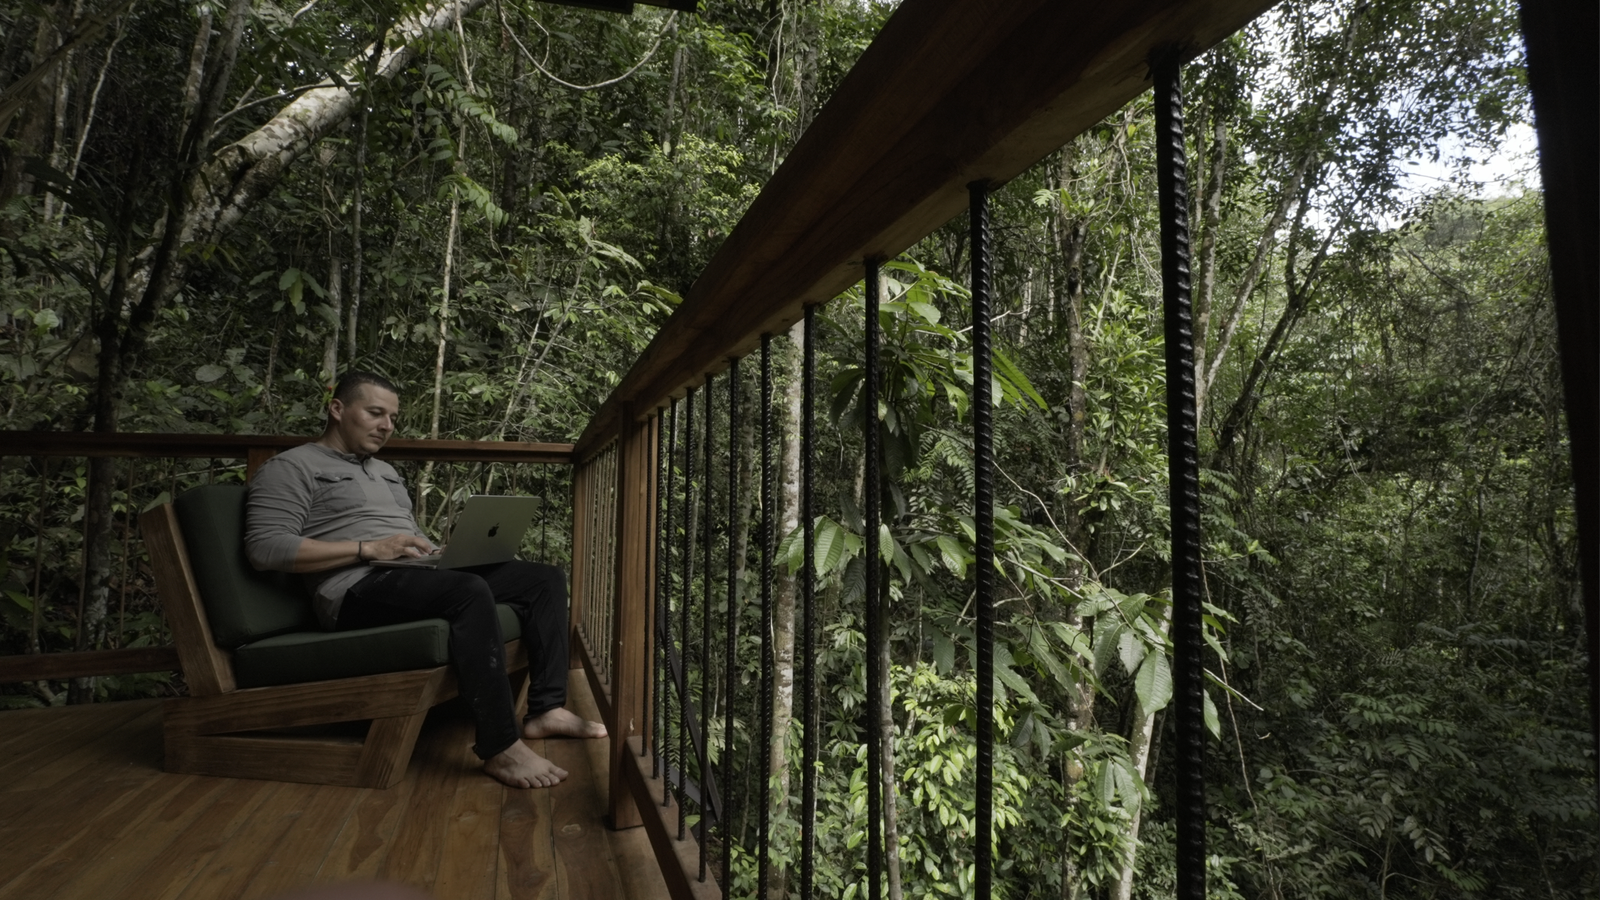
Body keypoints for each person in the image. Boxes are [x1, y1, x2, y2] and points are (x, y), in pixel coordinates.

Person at [243, 370, 604, 789]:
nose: (386, 426)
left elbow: (401, 534)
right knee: (469, 591)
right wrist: (368, 549)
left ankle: (546, 709)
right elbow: (265, 548)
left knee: (542, 579)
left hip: (407, 575)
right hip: (351, 589)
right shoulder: (291, 466)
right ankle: (500, 747)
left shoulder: (385, 472)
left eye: (392, 418)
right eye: (375, 413)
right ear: (338, 409)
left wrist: (438, 553)